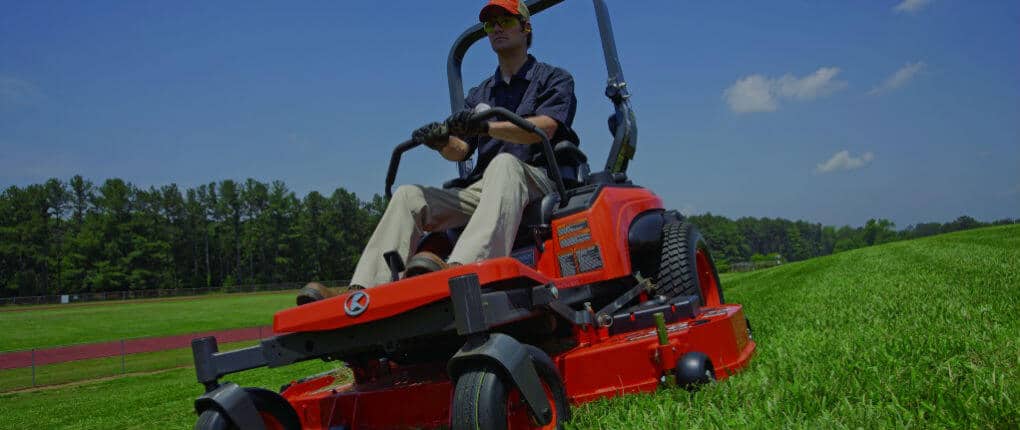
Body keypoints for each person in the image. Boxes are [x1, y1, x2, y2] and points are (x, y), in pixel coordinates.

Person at [298, 0, 578, 305]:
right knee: (408, 195)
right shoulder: (480, 94)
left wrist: (487, 127)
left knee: (504, 164)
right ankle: (363, 291)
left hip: (535, 178)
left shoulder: (553, 78)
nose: (496, 28)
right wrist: (441, 141)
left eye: (505, 21)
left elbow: (545, 127)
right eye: (489, 24)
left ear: (526, 28)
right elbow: (461, 152)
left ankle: (462, 271)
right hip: (484, 189)